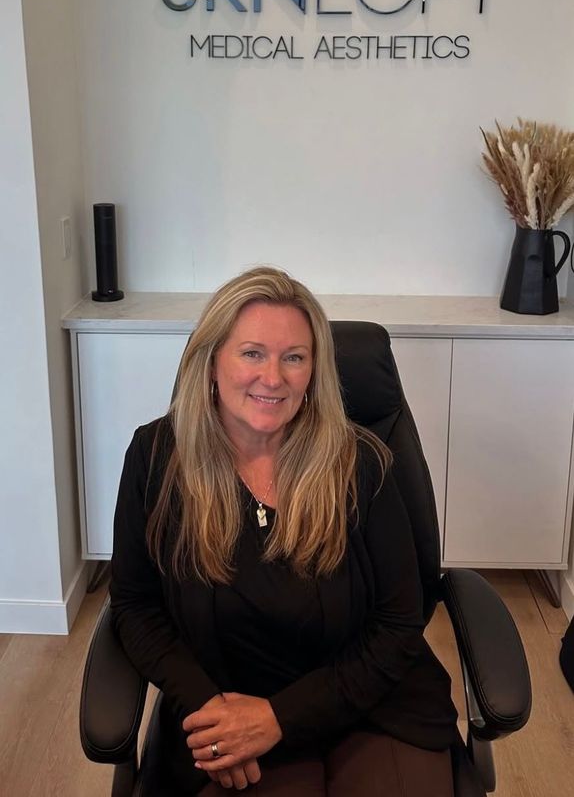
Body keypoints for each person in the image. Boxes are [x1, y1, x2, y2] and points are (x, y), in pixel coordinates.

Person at [110, 266, 458, 796]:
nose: (273, 378)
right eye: (252, 353)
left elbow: (398, 621)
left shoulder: (360, 462)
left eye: (294, 357)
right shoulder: (157, 456)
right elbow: (135, 605)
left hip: (371, 701)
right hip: (229, 709)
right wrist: (210, 713)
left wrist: (280, 718)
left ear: (314, 370)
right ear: (210, 362)